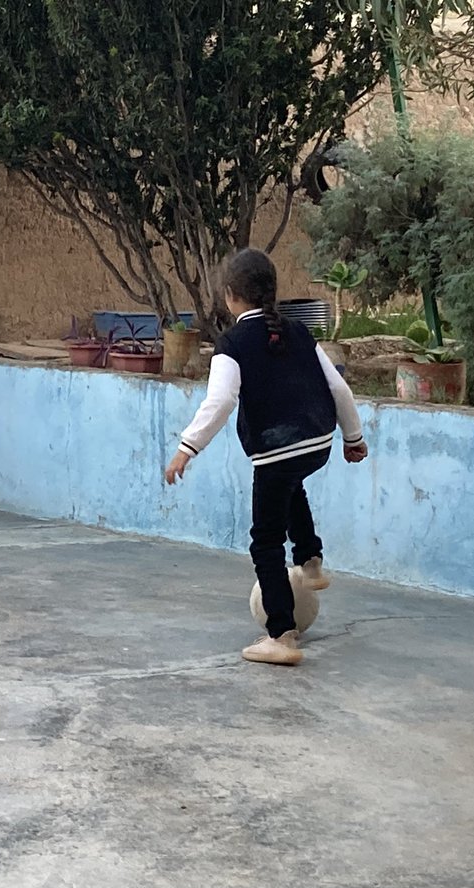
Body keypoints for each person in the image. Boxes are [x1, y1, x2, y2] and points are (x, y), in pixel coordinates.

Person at [164, 248, 369, 665]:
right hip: (318, 442)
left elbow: (220, 401)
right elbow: (340, 389)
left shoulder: (233, 343)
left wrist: (187, 448)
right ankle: (311, 561)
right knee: (290, 488)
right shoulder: (298, 331)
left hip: (276, 449)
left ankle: (282, 634)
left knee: (265, 541)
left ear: (230, 296)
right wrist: (353, 438)